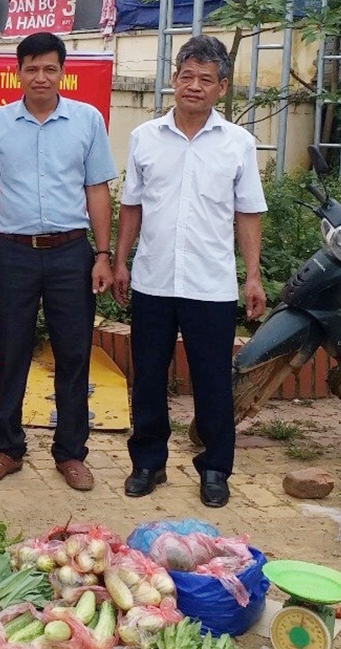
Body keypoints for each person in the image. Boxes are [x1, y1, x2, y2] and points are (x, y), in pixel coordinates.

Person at [112, 35, 267, 507]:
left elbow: (248, 214)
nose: (193, 86)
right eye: (186, 76)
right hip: (153, 280)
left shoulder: (238, 144)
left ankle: (215, 468)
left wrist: (253, 276)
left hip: (211, 284)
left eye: (205, 79)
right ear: (173, 80)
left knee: (212, 380)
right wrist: (120, 260)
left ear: (222, 87)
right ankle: (147, 462)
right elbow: (132, 206)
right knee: (149, 376)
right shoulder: (145, 138)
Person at [0, 32, 116, 491]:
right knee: (9, 351)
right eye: (31, 68)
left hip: (72, 253)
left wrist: (103, 255)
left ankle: (71, 452)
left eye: (49, 68)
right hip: (14, 253)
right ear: (18, 72)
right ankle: (6, 448)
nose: (40, 77)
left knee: (73, 352)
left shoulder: (87, 120)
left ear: (61, 71)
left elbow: (97, 191)